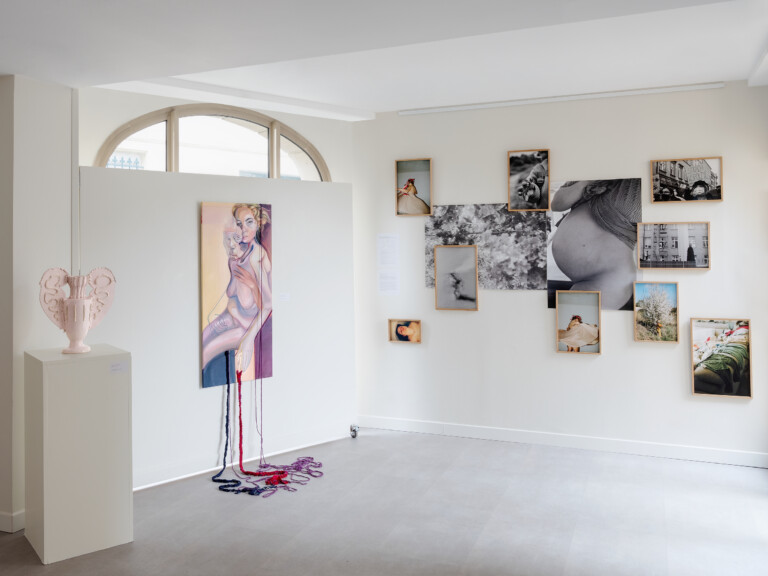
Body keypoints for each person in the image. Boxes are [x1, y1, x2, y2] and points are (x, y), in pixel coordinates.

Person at [202, 203, 273, 378]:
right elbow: (230, 292)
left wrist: (248, 340)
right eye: (240, 224)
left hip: (245, 326)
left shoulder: (256, 257)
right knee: (202, 340)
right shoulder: (240, 254)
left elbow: (268, 304)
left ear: (258, 223)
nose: (244, 229)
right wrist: (233, 264)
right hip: (232, 317)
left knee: (206, 353)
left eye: (249, 222)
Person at [550, 179, 640, 309]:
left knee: (576, 319)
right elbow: (556, 204)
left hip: (610, 277)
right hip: (603, 276)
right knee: (571, 318)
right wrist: (586, 183)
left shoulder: (637, 185)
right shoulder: (587, 174)